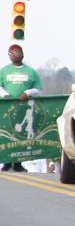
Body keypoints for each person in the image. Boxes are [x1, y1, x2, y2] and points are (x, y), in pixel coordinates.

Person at [0, 44, 43, 172]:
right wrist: (4, 94)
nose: (13, 54)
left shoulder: (31, 72)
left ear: (22, 54)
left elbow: (38, 89)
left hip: (23, 108)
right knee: (7, 134)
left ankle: (18, 164)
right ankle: (6, 162)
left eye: (16, 52)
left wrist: (28, 93)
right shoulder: (4, 70)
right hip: (7, 108)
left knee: (20, 136)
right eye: (10, 53)